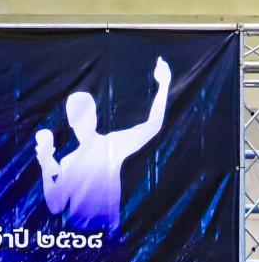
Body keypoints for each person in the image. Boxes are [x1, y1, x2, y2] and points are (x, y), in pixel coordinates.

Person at [34, 57, 171, 232]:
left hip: (101, 240)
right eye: (80, 116)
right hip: (81, 241)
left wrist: (164, 85)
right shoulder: (71, 161)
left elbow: (152, 126)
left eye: (86, 114)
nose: (85, 120)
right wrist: (46, 166)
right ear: (72, 121)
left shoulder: (110, 145)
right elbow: (56, 206)